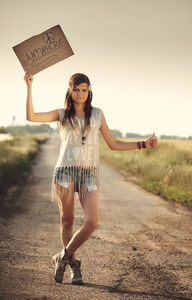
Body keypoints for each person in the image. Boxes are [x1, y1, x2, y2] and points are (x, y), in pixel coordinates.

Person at [24, 71, 157, 285]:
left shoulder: (97, 114)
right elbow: (31, 116)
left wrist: (142, 144)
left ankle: (62, 256)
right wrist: (29, 87)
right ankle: (74, 268)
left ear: (89, 91)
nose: (80, 93)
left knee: (92, 222)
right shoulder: (62, 114)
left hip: (88, 174)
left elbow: (113, 144)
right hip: (65, 171)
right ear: (70, 90)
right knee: (66, 220)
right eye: (76, 89)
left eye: (84, 89)